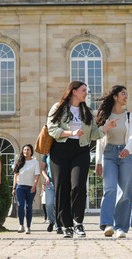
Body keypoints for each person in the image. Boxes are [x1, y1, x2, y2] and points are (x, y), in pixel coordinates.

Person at [47, 81, 117, 238]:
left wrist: (105, 128)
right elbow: (51, 129)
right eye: (84, 90)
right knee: (62, 188)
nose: (86, 93)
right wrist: (70, 133)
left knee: (78, 185)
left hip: (81, 150)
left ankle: (78, 222)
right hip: (60, 151)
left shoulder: (87, 111)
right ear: (74, 91)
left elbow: (92, 133)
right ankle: (67, 226)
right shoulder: (58, 108)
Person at [94, 85, 132, 239]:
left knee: (125, 192)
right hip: (109, 154)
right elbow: (99, 139)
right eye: (123, 93)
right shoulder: (105, 116)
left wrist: (128, 148)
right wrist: (98, 161)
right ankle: (107, 224)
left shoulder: (130, 116)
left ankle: (121, 228)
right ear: (115, 97)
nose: (126, 96)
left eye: (127, 94)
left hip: (127, 155)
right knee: (110, 188)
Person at [12, 144, 41, 234]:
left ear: (31, 151)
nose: (26, 151)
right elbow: (15, 176)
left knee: (28, 207)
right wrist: (14, 188)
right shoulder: (19, 162)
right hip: (20, 186)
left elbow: (37, 175)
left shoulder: (35, 162)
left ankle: (28, 226)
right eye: (24, 150)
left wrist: (34, 186)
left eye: (28, 150)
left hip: (30, 187)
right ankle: (21, 225)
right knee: (20, 205)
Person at [40, 153, 60, 233]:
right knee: (49, 204)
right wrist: (46, 177)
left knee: (58, 205)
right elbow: (42, 169)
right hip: (50, 183)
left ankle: (58, 225)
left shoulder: (61, 153)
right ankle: (51, 220)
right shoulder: (46, 155)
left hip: (60, 182)